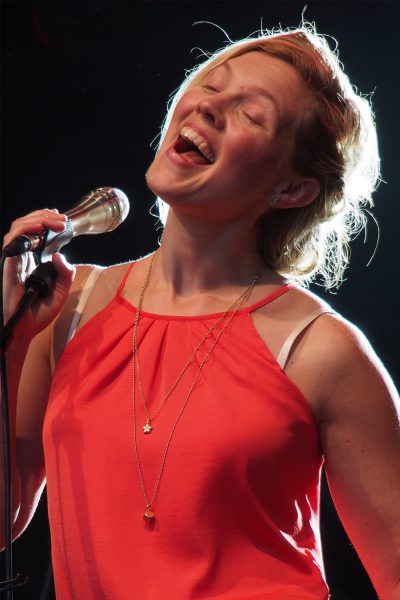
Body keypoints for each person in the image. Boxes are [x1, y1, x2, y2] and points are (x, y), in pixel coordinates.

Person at [2, 24, 400, 600]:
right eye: (211, 86)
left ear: (292, 189)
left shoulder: (319, 348)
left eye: (251, 114)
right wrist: (10, 341)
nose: (209, 107)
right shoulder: (66, 309)